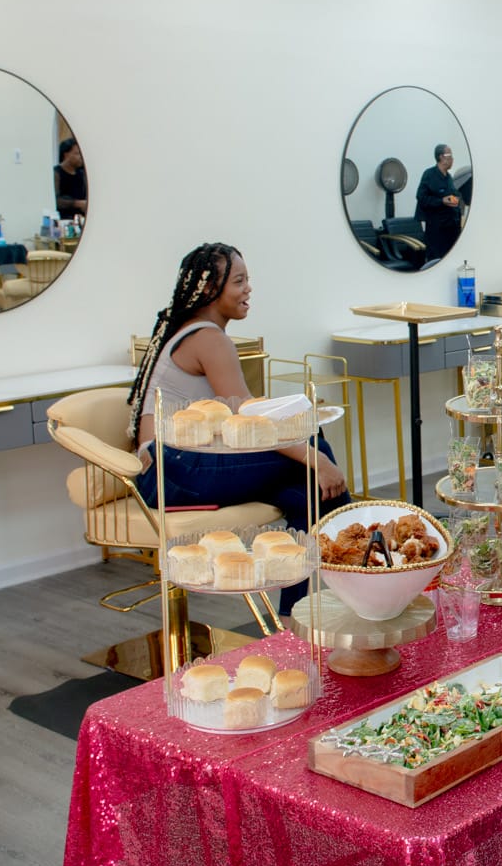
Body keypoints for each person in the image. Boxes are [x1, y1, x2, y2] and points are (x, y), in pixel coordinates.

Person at [127, 243, 350, 612]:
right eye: (239, 281)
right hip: (173, 473)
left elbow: (244, 419)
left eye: (248, 280)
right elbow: (249, 419)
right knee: (316, 453)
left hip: (170, 471)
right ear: (211, 289)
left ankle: (300, 614)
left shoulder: (188, 331)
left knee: (304, 495)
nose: (248, 289)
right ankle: (352, 582)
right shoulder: (209, 339)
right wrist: (320, 462)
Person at [414, 143, 463, 263]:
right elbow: (421, 197)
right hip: (437, 230)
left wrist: (456, 200)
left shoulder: (449, 178)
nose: (452, 159)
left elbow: (454, 195)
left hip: (452, 228)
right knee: (436, 260)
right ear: (441, 157)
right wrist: (442, 201)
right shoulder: (429, 175)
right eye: (450, 155)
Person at [53, 137, 88, 219]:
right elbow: (56, 200)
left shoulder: (82, 174)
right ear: (66, 154)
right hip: (63, 219)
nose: (80, 157)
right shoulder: (56, 173)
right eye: (77, 153)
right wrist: (78, 203)